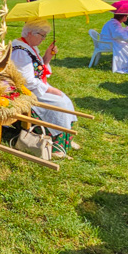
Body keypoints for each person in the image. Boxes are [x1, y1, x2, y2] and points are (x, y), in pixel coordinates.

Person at [10, 19, 79, 157]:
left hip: (36, 87)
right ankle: (56, 146)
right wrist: (51, 90)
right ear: (30, 33)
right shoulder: (20, 51)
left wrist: (47, 56)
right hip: (27, 91)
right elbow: (27, 80)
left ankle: (64, 140)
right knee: (60, 103)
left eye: (44, 36)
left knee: (64, 100)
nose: (43, 39)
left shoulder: (29, 46)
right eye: (42, 35)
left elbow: (38, 69)